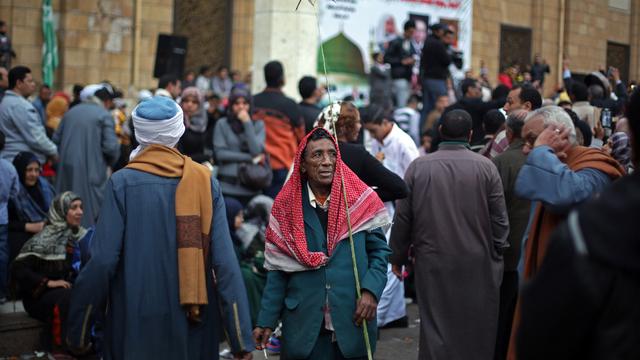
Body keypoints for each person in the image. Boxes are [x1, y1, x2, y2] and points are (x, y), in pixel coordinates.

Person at [65, 96, 254, 359]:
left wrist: (79, 330)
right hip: (193, 330)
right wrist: (240, 338)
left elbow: (102, 261)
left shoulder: (121, 183)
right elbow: (224, 264)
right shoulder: (204, 181)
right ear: (179, 131)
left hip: (133, 327)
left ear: (138, 134)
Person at [516, 88, 640, 360]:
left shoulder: (592, 166)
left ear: (560, 136)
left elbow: (567, 195)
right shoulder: (555, 166)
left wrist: (543, 152)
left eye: (533, 140)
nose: (528, 149)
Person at [253, 128, 391, 359]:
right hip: (304, 326)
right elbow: (277, 269)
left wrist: (371, 291)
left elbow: (379, 252)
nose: (327, 161)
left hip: (353, 316)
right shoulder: (285, 208)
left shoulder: (359, 202)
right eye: (317, 155)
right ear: (303, 165)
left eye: (332, 154)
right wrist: (266, 320)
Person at [390, 109, 509, 360]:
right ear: (470, 134)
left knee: (436, 323)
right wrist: (498, 249)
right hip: (478, 259)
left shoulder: (418, 167)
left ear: (440, 131)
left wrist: (397, 257)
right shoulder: (486, 167)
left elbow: (403, 218)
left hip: (433, 259)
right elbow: (499, 218)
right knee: (476, 324)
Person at [361, 104, 419, 328]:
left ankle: (383, 315)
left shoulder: (403, 143)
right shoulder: (377, 141)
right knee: (384, 258)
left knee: (389, 260)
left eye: (374, 130)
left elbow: (414, 178)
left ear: (386, 123)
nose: (373, 135)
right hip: (383, 204)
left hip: (402, 205)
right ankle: (394, 315)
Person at [11, 192, 91, 352]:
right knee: (66, 297)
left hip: (67, 289)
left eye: (81, 207)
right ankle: (60, 347)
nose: (80, 212)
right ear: (61, 211)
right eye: (74, 208)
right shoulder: (43, 238)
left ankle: (85, 343)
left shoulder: (82, 236)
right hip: (39, 295)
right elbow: (18, 269)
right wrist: (48, 282)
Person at [491, 110, 530, 360]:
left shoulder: (502, 162)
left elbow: (493, 210)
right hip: (534, 252)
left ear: (509, 132)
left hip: (507, 254)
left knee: (504, 318)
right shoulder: (551, 160)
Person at [53, 84, 120, 228]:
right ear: (107, 102)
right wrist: (109, 164)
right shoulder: (103, 115)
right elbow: (111, 148)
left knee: (65, 212)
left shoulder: (71, 112)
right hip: (92, 174)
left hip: (65, 172)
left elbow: (55, 141)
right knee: (85, 218)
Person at [315, 101, 408, 203]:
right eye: (358, 122)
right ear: (344, 127)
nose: (360, 126)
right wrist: (360, 198)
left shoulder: (312, 152)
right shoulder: (356, 154)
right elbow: (400, 188)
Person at [252, 60, 304, 198]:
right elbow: (301, 136)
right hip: (282, 164)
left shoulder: (253, 102)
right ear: (282, 79)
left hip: (256, 165)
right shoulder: (289, 105)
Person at [214, 88, 266, 205]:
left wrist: (247, 123)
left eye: (245, 103)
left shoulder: (258, 125)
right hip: (227, 187)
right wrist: (250, 158)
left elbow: (256, 151)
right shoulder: (222, 124)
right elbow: (220, 154)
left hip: (251, 186)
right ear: (231, 105)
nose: (241, 107)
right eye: (237, 103)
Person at [0, 66, 57, 163]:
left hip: (13, 159)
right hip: (21, 163)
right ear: (19, 83)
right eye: (30, 81)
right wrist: (53, 151)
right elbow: (36, 137)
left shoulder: (8, 101)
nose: (34, 85)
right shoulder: (19, 105)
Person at [7, 151, 55, 263]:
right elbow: (6, 223)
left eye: (37, 170)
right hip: (21, 234)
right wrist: (29, 226)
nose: (34, 174)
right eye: (29, 170)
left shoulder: (45, 187)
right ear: (19, 170)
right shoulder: (12, 192)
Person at [440, 78, 506, 147]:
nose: (481, 92)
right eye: (479, 89)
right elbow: (495, 104)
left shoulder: (450, 108)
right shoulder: (475, 105)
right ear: (470, 89)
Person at [0, 131, 19, 302]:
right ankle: (2, 292)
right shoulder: (8, 167)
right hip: (2, 217)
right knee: (2, 254)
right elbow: (15, 193)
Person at [420, 24, 452, 121]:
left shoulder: (427, 41)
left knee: (427, 107)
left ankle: (424, 131)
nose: (444, 33)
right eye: (442, 31)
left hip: (428, 78)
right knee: (440, 106)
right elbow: (447, 60)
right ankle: (434, 131)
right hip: (436, 79)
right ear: (437, 31)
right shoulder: (437, 44)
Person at [384, 20, 417, 108]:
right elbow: (386, 58)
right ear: (405, 30)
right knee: (401, 104)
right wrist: (401, 61)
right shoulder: (396, 42)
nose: (412, 34)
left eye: (413, 32)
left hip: (407, 78)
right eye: (410, 32)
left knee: (404, 102)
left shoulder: (411, 44)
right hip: (398, 77)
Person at [178, 86, 210, 163]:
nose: (189, 104)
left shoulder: (206, 119)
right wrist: (204, 157)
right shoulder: (178, 122)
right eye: (186, 101)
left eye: (194, 102)